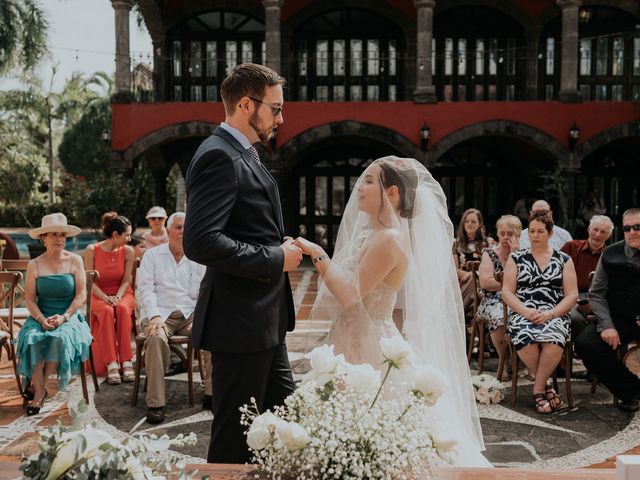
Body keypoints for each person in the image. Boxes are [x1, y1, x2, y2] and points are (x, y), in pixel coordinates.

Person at [293, 156, 490, 467]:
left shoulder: (389, 239)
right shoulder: (374, 233)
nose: (359, 187)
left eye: (370, 181)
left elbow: (350, 295)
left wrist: (318, 255)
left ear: (393, 192)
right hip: (350, 340)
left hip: (371, 348)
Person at [183, 63, 302, 464]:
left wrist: (275, 242)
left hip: (265, 321)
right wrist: (275, 257)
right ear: (246, 104)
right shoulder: (218, 155)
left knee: (289, 427)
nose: (281, 118)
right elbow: (200, 241)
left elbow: (241, 224)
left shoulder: (241, 151)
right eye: (275, 108)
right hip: (238, 324)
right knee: (236, 438)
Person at [502, 212, 578, 414]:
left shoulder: (564, 259)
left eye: (541, 231)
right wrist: (525, 311)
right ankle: (547, 387)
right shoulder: (517, 258)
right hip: (523, 311)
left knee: (553, 339)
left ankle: (538, 389)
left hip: (554, 312)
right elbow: (507, 292)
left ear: (550, 233)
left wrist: (551, 314)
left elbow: (572, 296)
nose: (535, 235)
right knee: (525, 337)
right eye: (532, 231)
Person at [16, 213, 92, 415]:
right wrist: (41, 319)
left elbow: (81, 295)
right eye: (53, 235)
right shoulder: (35, 264)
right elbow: (30, 299)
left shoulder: (75, 260)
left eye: (62, 235)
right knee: (32, 338)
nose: (59, 239)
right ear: (43, 238)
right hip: (41, 314)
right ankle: (40, 389)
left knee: (61, 338)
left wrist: (64, 317)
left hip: (69, 315)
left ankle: (37, 385)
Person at [136, 212, 208, 424]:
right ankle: (156, 403)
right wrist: (155, 316)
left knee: (212, 332)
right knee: (156, 339)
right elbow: (145, 291)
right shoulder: (152, 256)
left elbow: (205, 292)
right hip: (160, 314)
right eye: (178, 227)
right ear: (168, 231)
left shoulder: (200, 257)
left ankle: (213, 395)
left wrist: (201, 318)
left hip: (189, 315)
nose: (183, 231)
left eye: (187, 226)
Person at [575, 208, 640, 412]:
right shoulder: (610, 253)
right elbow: (596, 293)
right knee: (586, 344)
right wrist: (606, 325)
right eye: (627, 228)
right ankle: (632, 391)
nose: (632, 232)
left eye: (637, 227)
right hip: (619, 318)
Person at [84, 212, 136, 383]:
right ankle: (112, 362)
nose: (129, 238)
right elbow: (89, 281)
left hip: (122, 292)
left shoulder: (128, 251)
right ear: (115, 235)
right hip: (98, 293)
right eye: (127, 234)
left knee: (121, 309)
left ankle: (127, 360)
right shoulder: (92, 250)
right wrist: (106, 297)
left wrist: (118, 297)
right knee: (106, 312)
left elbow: (126, 281)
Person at [477, 215, 522, 372]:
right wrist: (510, 286)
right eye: (502, 233)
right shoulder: (489, 253)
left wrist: (515, 255)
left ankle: (526, 363)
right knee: (499, 318)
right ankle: (504, 363)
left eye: (510, 234)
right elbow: (486, 282)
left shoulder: (524, 254)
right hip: (492, 300)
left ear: (518, 235)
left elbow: (527, 281)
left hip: (518, 300)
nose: (505, 237)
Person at [560, 215, 614, 342]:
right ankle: (583, 349)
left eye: (603, 232)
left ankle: (596, 351)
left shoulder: (610, 255)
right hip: (570, 296)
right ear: (589, 229)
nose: (598, 234)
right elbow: (554, 273)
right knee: (574, 318)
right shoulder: (571, 247)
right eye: (595, 229)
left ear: (609, 236)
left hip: (599, 299)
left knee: (608, 319)